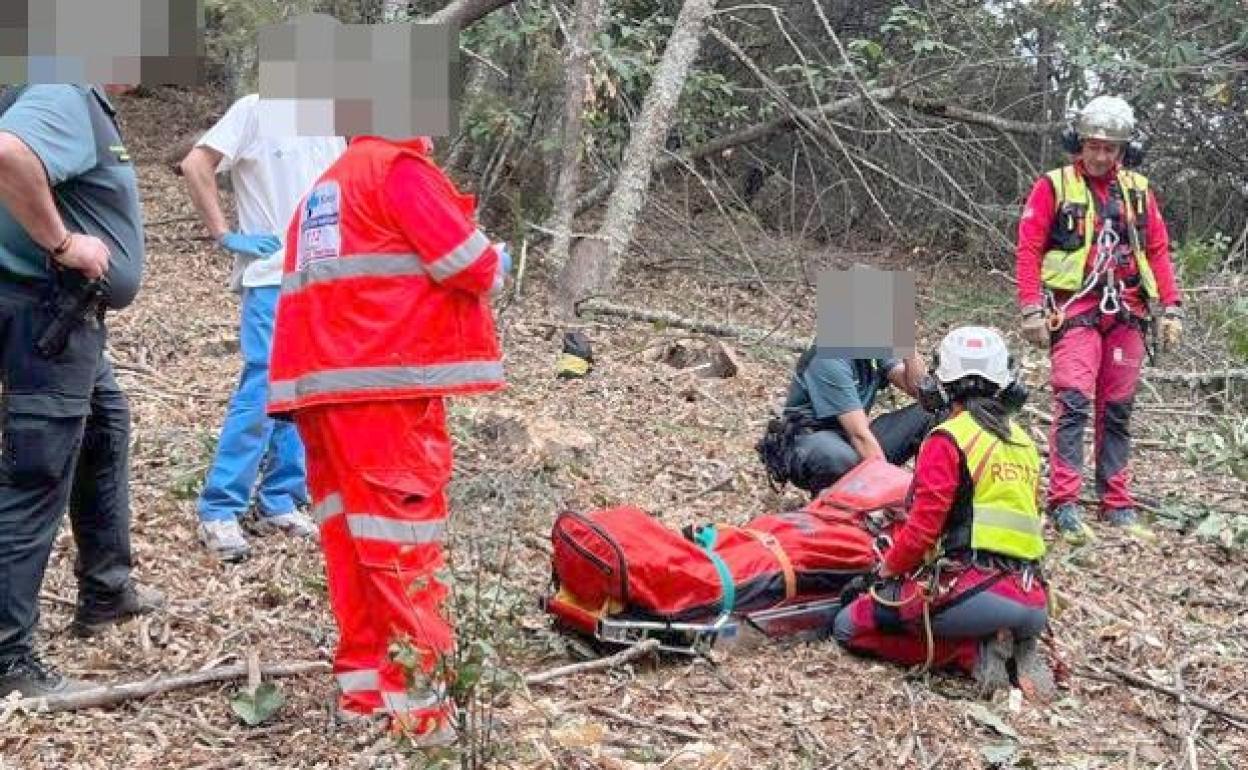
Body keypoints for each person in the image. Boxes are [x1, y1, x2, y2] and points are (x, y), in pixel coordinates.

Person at [268, 135, 507, 742]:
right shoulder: (399, 171)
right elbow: (470, 264)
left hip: (326, 393)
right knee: (404, 550)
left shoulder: (330, 183)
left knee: (352, 546)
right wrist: (498, 259)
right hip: (383, 390)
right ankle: (423, 714)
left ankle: (366, 692)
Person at [0, 84, 164, 697]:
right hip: (46, 314)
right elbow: (9, 153)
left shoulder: (81, 99)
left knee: (105, 428)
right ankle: (9, 659)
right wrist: (65, 244)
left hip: (67, 318)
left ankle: (106, 588)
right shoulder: (62, 91)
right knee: (36, 475)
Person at [833, 326, 1054, 700]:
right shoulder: (1023, 442)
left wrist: (882, 572)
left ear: (942, 384)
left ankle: (970, 652)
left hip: (974, 592)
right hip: (1034, 600)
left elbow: (921, 531)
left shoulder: (948, 438)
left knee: (848, 626)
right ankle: (1007, 643)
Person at [179, 95, 345, 561]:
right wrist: (223, 233)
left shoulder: (332, 123)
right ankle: (220, 508)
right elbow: (197, 164)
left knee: (304, 392)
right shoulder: (256, 108)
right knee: (263, 387)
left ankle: (279, 498)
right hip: (272, 276)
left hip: (320, 281)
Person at [1016, 95, 1183, 544]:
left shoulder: (1138, 191)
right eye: (1094, 146)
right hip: (1076, 310)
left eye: (1111, 148)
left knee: (1118, 409)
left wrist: (1172, 307)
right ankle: (1065, 501)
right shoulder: (1053, 186)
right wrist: (1031, 308)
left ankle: (1117, 500)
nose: (1101, 156)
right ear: (1079, 143)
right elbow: (1029, 248)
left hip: (1128, 311)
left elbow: (1159, 251)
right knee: (1072, 401)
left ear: (1124, 150)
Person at [758, 343, 932, 496]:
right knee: (841, 458)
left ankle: (929, 493)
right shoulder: (830, 356)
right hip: (810, 441)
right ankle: (833, 509)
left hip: (851, 438)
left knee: (930, 411)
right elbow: (860, 436)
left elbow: (920, 390)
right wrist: (893, 489)